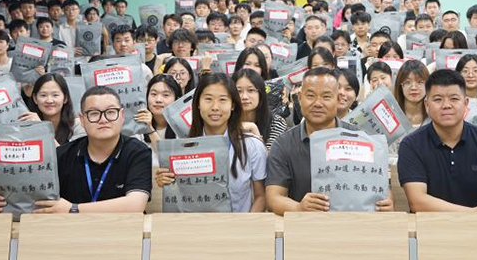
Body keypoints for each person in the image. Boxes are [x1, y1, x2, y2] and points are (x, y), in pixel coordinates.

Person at [0, 86, 151, 214]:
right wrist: (5, 204)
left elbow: (135, 205)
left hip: (123, 235)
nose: (103, 119)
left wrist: (73, 209)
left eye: (110, 112)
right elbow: (34, 201)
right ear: (82, 119)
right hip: (71, 235)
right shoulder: (62, 155)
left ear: (121, 116)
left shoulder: (137, 152)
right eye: (94, 113)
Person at [265, 68, 392, 215]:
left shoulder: (360, 139)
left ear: (338, 99)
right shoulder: (284, 144)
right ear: (299, 98)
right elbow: (273, 197)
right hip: (306, 225)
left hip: (353, 224)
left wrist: (387, 201)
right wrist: (298, 208)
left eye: (326, 97)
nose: (318, 103)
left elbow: (382, 188)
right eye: (310, 96)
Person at [155, 73, 267, 213]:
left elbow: (261, 196)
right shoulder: (181, 148)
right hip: (195, 224)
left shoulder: (252, 146)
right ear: (197, 104)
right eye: (208, 99)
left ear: (233, 105)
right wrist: (166, 182)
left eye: (222, 100)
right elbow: (179, 197)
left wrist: (245, 224)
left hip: (238, 224)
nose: (215, 107)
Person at [399, 69, 477, 211]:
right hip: (430, 224)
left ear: (466, 103)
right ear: (427, 105)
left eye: (454, 98)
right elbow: (417, 202)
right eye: (438, 99)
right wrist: (472, 212)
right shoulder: (411, 145)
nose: (446, 105)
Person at [234, 69, 287, 148]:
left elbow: (271, 155)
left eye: (251, 90)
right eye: (239, 91)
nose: (244, 96)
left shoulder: (276, 123)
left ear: (261, 94)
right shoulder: (225, 122)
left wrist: (254, 130)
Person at [393, 59, 429, 128]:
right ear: (400, 85)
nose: (414, 87)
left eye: (420, 82)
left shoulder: (434, 116)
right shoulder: (391, 115)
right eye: (407, 82)